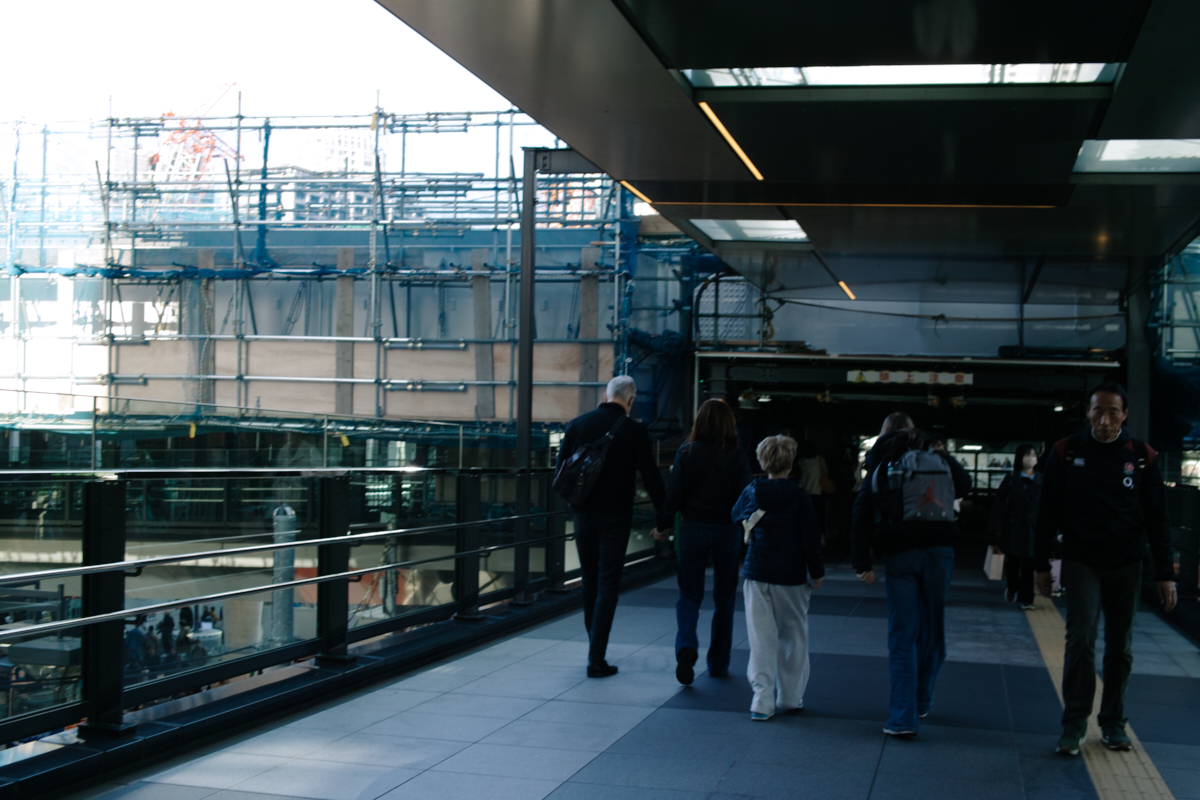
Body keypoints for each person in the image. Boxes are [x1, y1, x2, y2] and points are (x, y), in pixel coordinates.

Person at [1034, 382, 1177, 756]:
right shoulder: (1067, 452)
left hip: (1127, 564)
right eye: (1098, 410)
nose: (1105, 418)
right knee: (1079, 638)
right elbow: (1046, 512)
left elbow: (1158, 519)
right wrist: (1040, 566)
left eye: (1114, 411)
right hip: (1081, 562)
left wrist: (1166, 573)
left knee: (1120, 646)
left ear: (1124, 415)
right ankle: (1074, 722)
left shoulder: (1142, 456)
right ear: (1088, 413)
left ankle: (1113, 722)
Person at [851, 413, 972, 737]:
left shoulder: (881, 458)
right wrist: (941, 453)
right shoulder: (935, 457)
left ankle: (903, 718)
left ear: (886, 433)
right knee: (933, 630)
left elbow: (862, 508)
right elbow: (966, 485)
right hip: (940, 551)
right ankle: (922, 699)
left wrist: (861, 559)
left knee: (903, 635)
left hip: (901, 553)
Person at [557, 375, 665, 677]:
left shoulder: (577, 424)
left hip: (582, 514)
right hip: (616, 517)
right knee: (608, 585)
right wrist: (664, 516)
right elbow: (650, 476)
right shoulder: (635, 431)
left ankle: (595, 650)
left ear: (606, 395)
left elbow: (560, 470)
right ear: (630, 401)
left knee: (589, 581)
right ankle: (596, 658)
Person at [652, 399, 753, 685]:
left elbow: (673, 496)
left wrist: (661, 525)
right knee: (724, 599)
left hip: (693, 528)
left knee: (689, 595)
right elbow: (747, 495)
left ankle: (686, 646)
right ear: (728, 424)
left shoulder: (686, 452)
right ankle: (718, 664)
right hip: (727, 531)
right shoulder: (736, 455)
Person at [733, 435, 825, 720]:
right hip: (791, 575)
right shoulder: (799, 496)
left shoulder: (752, 490)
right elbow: (810, 537)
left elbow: (736, 514)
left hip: (757, 572)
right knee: (794, 636)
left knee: (761, 639)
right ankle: (790, 696)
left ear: (763, 461)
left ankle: (761, 701)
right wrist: (817, 571)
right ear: (790, 462)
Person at [988, 444, 1042, 610]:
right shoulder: (1011, 479)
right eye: (1027, 455)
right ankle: (1012, 587)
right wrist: (995, 529)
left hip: (1034, 528)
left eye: (1034, 455)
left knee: (1030, 565)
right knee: (1013, 564)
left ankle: (1027, 599)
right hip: (1013, 527)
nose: (1031, 458)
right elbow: (999, 505)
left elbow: (1051, 507)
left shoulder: (1043, 480)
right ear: (1020, 458)